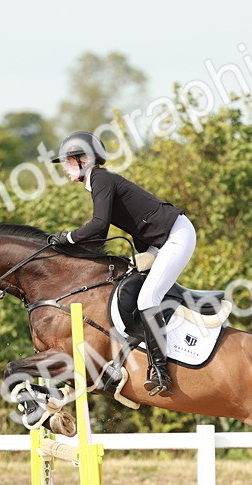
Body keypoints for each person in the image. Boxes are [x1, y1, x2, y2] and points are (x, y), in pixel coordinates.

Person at [48, 131, 196, 397]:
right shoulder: (98, 182)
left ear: (84, 159)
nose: (65, 168)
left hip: (176, 236)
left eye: (68, 161)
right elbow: (100, 237)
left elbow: (98, 225)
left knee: (148, 297)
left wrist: (66, 238)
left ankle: (161, 372)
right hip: (159, 242)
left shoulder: (101, 178)